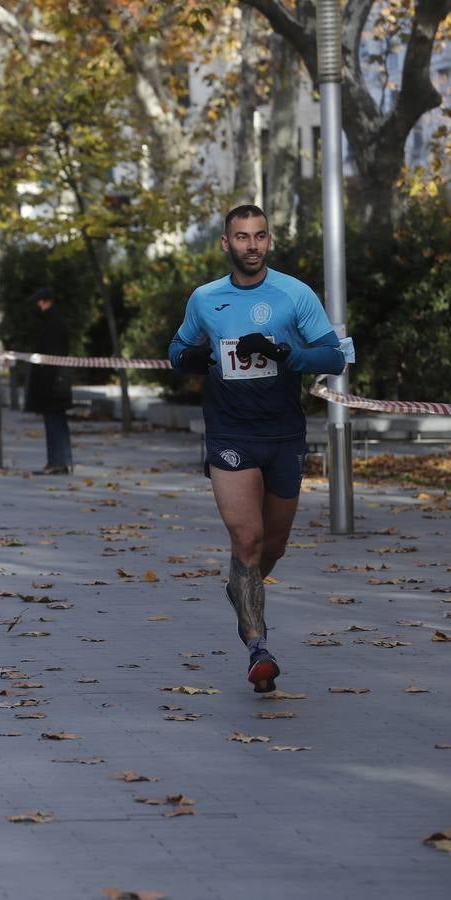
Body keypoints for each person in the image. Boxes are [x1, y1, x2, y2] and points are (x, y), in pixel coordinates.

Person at [169, 204, 347, 694]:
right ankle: (257, 646)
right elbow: (177, 351)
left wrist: (286, 355)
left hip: (284, 434)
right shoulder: (206, 299)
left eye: (260, 236)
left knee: (272, 546)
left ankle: (241, 586)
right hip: (230, 434)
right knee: (246, 541)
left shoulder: (294, 294)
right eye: (242, 237)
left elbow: (333, 355)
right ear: (226, 244)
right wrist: (191, 357)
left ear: (270, 240)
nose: (252, 245)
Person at [23, 287, 74, 475]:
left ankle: (57, 462)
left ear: (46, 302)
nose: (36, 307)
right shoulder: (52, 322)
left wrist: (47, 384)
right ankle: (60, 461)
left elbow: (51, 357)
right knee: (56, 422)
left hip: (52, 383)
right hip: (54, 382)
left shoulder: (53, 324)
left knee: (55, 423)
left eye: (38, 303)